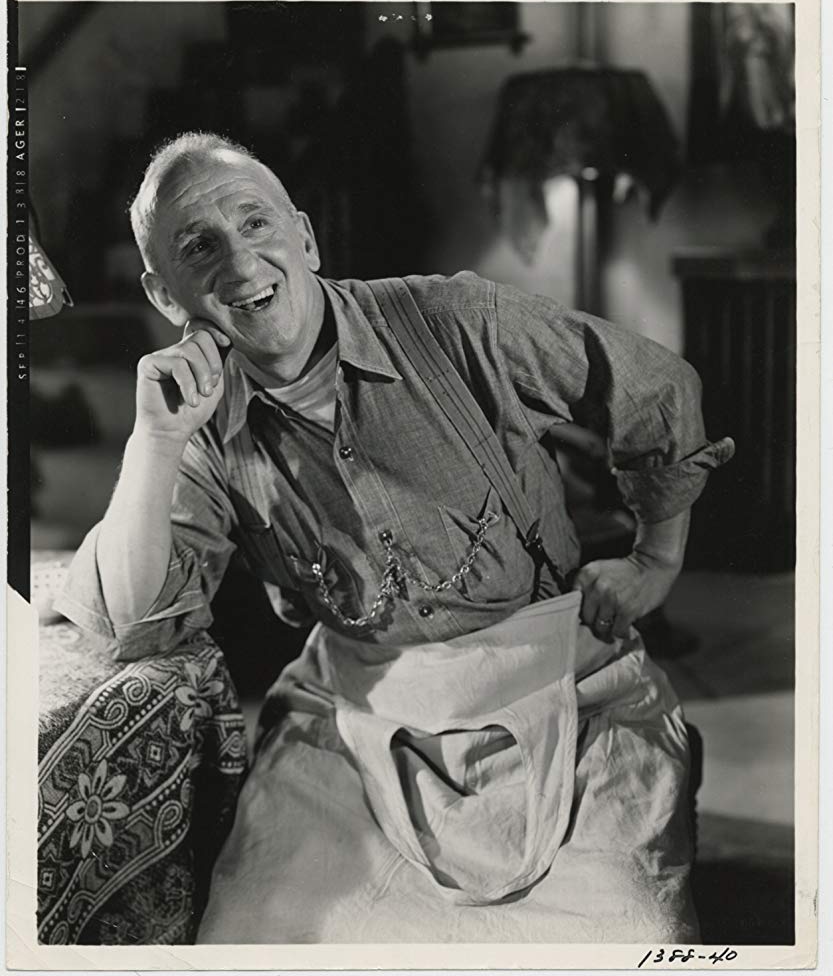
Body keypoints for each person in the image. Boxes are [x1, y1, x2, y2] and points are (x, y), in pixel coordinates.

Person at [56, 131, 734, 944]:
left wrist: (655, 560)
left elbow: (655, 390)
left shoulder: (455, 319)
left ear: (305, 237)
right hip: (357, 712)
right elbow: (132, 620)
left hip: (563, 683)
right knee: (260, 935)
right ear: (165, 295)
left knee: (624, 934)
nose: (240, 266)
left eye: (255, 223)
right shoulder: (195, 424)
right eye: (199, 247)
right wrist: (156, 442)